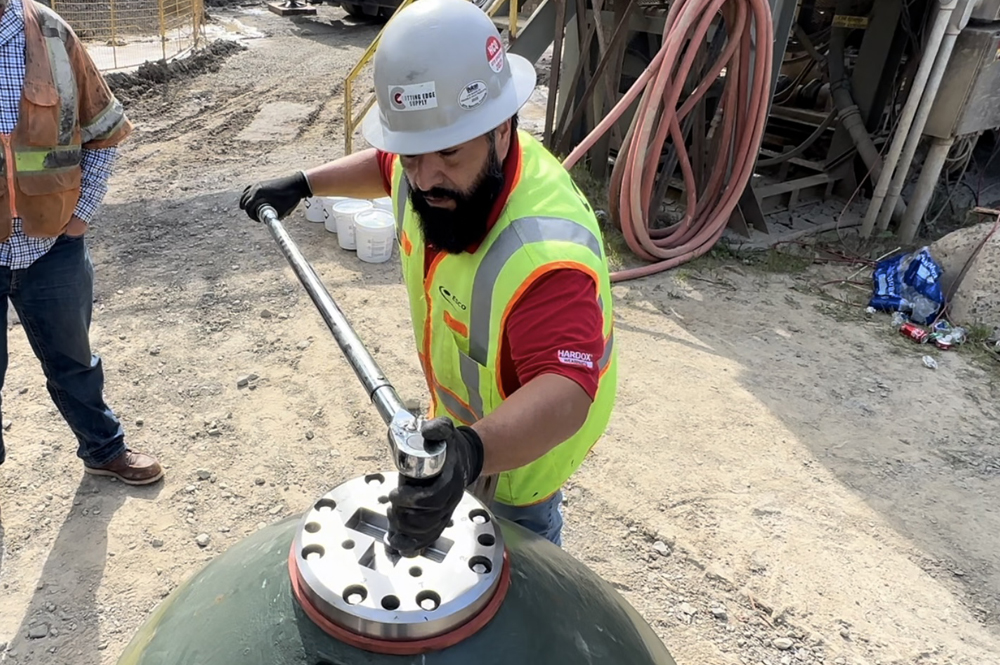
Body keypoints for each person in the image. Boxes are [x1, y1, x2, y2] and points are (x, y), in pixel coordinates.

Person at [240, 0, 616, 553]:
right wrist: (304, 182)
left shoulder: (543, 253)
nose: (425, 178)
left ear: (503, 130)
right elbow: (385, 165)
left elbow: (565, 392)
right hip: (462, 426)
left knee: (518, 581)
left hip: (520, 462)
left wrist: (471, 455)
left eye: (447, 154)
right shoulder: (433, 162)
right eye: (413, 154)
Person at [0, 0, 163, 489]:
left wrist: (81, 218)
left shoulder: (50, 32)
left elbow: (103, 132)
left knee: (74, 360)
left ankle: (103, 449)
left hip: (52, 246)